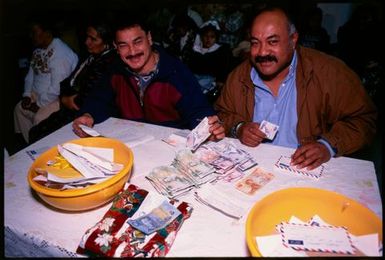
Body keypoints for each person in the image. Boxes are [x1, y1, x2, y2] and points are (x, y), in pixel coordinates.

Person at [215, 6, 377, 170]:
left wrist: (327, 145)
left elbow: (364, 120)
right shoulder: (239, 77)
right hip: (252, 169)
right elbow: (222, 115)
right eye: (255, 43)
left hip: (306, 171)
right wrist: (239, 128)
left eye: (273, 42)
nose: (262, 52)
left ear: (293, 40)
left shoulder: (329, 73)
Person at [72, 16, 224, 140]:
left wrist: (209, 128)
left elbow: (198, 111)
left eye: (138, 42)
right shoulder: (115, 70)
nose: (132, 52)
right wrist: (88, 114)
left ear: (149, 38)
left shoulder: (175, 71)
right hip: (131, 143)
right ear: (116, 47)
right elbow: (99, 98)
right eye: (123, 45)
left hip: (170, 144)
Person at [28, 19, 117, 143]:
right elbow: (66, 82)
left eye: (93, 39)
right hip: (68, 108)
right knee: (35, 132)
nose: (87, 42)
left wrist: (68, 99)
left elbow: (87, 97)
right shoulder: (90, 57)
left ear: (107, 42)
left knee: (39, 135)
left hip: (82, 113)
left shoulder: (108, 63)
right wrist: (64, 98)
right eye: (87, 37)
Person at [14, 18, 78, 143]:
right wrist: (27, 94)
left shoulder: (60, 53)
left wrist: (38, 104)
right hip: (38, 94)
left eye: (34, 32)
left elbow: (57, 88)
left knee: (40, 118)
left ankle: (39, 145)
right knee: (19, 109)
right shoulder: (38, 49)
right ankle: (30, 144)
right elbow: (31, 75)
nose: (31, 36)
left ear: (47, 33)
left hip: (56, 98)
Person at [186, 20, 234, 103]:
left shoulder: (220, 50)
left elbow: (224, 67)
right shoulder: (195, 49)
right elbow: (190, 66)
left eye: (212, 37)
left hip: (210, 80)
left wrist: (221, 80)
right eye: (206, 36)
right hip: (195, 77)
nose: (208, 39)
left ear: (216, 38)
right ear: (201, 37)